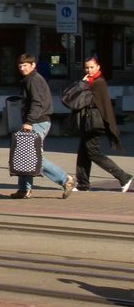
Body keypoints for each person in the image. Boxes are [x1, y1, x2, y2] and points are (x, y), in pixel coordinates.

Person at [12, 53, 74, 199]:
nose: (22, 68)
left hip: (38, 121)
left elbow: (37, 103)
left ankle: (66, 180)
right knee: (26, 154)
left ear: (33, 65)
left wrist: (29, 121)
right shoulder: (30, 79)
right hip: (36, 120)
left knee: (33, 156)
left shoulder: (34, 80)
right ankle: (24, 189)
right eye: (20, 65)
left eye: (25, 65)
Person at [67, 55, 133, 193]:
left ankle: (124, 177)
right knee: (83, 154)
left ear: (98, 67)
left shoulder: (98, 83)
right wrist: (83, 84)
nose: (89, 70)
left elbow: (83, 100)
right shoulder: (89, 82)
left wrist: (82, 85)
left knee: (93, 153)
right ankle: (83, 184)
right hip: (88, 123)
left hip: (95, 124)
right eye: (86, 67)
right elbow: (72, 98)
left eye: (91, 67)